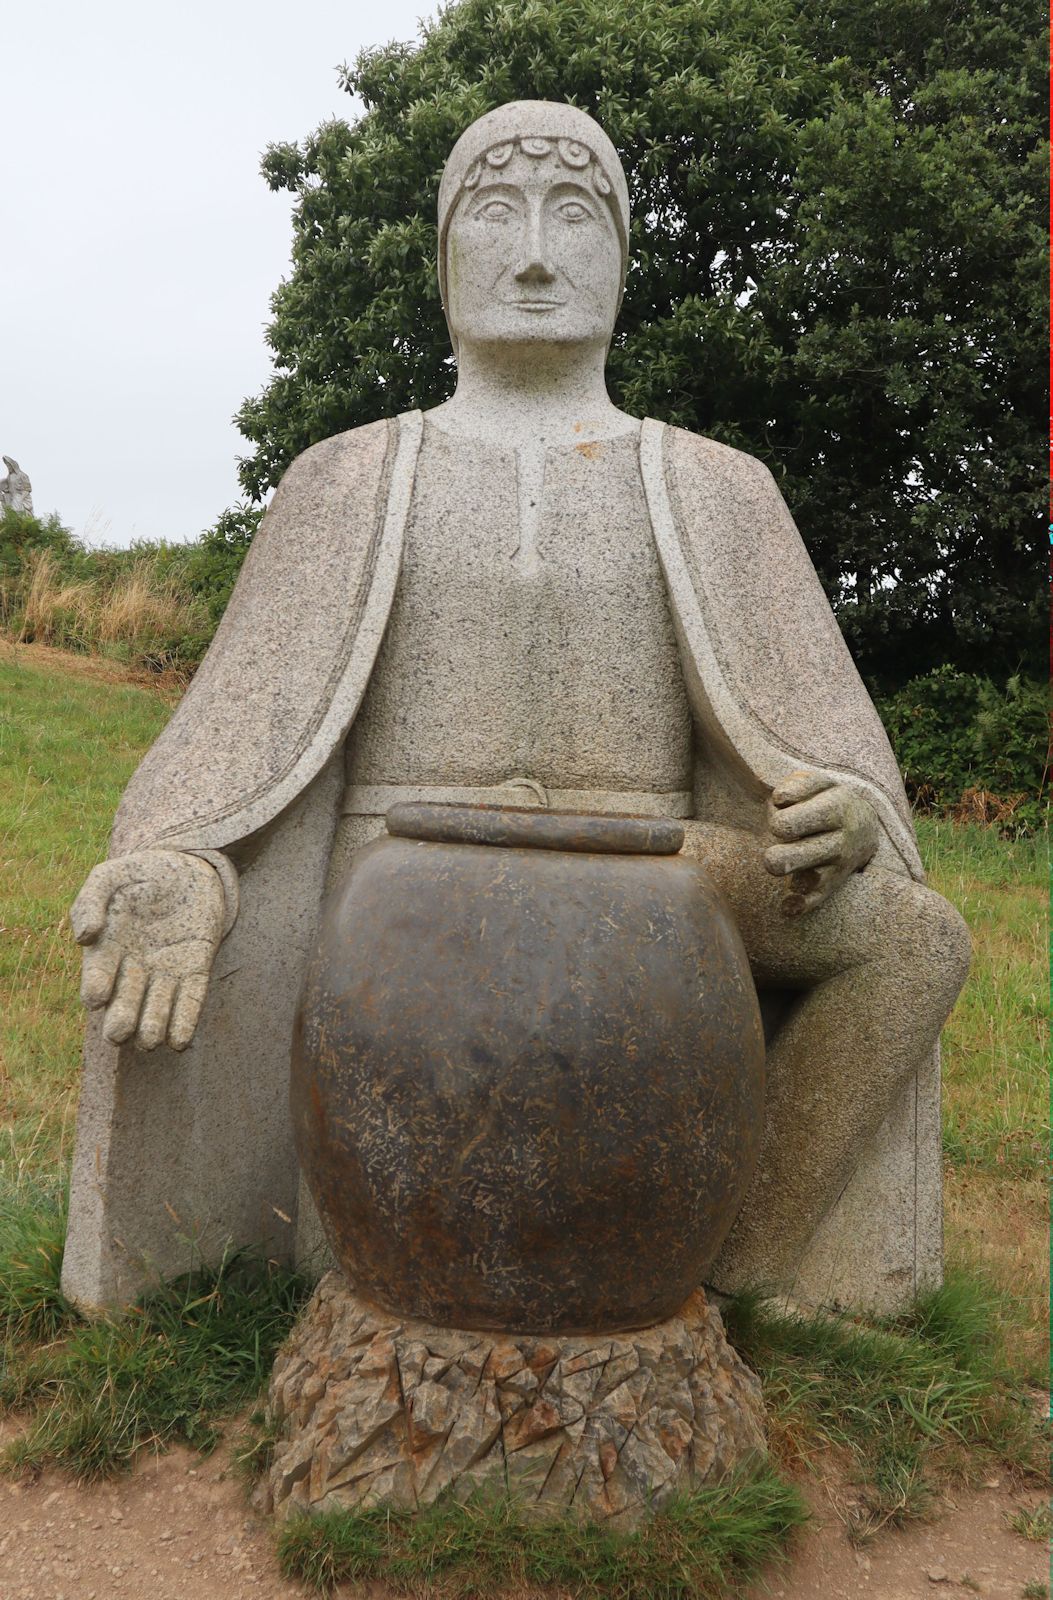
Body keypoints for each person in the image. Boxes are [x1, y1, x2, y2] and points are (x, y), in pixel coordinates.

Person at [62, 101, 969, 1313]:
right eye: (496, 214)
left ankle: (742, 1267)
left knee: (913, 939)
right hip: (398, 878)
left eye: (576, 216)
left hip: (657, 868)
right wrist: (189, 866)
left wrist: (848, 810)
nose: (536, 253)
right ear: (445, 260)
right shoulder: (348, 475)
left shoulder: (717, 485)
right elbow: (242, 740)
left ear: (622, 259)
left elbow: (816, 732)